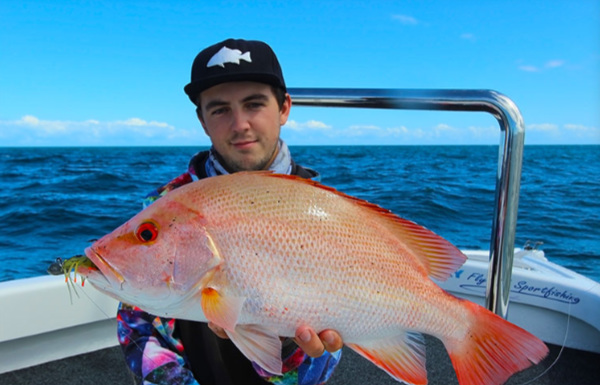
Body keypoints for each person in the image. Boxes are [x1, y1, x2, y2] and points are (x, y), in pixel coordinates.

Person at [117, 38, 344, 385]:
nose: (239, 124)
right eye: (220, 109)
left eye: (254, 104)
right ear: (202, 120)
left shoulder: (328, 212)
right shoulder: (164, 208)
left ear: (284, 108)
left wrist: (286, 345)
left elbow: (332, 346)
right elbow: (137, 322)